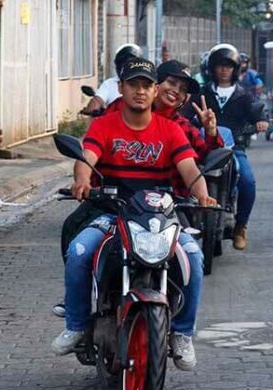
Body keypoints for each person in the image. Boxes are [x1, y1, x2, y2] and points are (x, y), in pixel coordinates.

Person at [52, 58, 217, 372]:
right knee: (78, 250)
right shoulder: (104, 124)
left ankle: (182, 333)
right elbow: (87, 157)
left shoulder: (170, 130)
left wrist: (203, 194)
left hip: (161, 215)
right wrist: (83, 180)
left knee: (194, 258)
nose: (140, 91)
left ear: (155, 91)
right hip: (112, 213)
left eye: (146, 85)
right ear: (121, 88)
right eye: (134, 85)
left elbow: (189, 168)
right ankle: (76, 324)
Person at [185, 43, 269, 250]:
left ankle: (241, 226)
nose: (224, 70)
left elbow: (258, 112)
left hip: (233, 149)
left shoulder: (244, 94)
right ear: (212, 68)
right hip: (203, 149)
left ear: (236, 69)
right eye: (220, 65)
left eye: (228, 66)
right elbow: (185, 113)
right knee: (182, 176)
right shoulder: (201, 93)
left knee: (248, 181)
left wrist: (261, 121)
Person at [153, 60, 224, 197]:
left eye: (183, 89)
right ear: (155, 84)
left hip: (173, 204)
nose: (176, 91)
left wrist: (210, 132)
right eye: (171, 83)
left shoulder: (183, 127)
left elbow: (207, 161)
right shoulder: (125, 111)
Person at [81, 43, 143, 115]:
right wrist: (93, 108)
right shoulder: (109, 84)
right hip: (114, 124)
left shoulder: (147, 82)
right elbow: (96, 103)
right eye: (122, 64)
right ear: (120, 87)